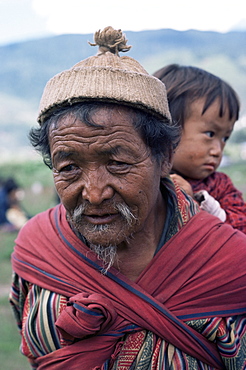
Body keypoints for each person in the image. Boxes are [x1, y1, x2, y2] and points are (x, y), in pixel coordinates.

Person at [9, 27, 246, 370]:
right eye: (69, 167)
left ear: (164, 158)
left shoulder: (229, 265)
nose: (93, 193)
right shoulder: (36, 252)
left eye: (118, 164)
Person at [153, 64, 246, 233]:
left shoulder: (219, 186)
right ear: (168, 128)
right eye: (210, 134)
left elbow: (241, 230)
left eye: (225, 138)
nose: (217, 150)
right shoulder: (146, 181)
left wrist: (198, 204)